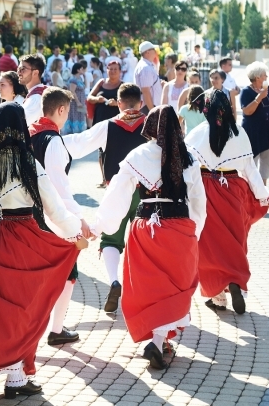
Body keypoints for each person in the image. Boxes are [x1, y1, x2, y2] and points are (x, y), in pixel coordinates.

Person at [0, 103, 85, 404]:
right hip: (24, 234)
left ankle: (4, 376)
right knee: (24, 309)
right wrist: (74, 234)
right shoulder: (29, 161)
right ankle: (4, 377)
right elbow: (53, 206)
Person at [91, 105, 206, 370]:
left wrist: (101, 225)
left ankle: (157, 338)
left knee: (148, 285)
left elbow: (117, 194)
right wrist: (195, 231)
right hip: (178, 228)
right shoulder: (188, 157)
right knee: (175, 286)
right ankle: (158, 339)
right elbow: (198, 202)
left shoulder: (138, 155)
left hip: (145, 228)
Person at [63, 83, 147, 312]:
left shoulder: (108, 126)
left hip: (116, 191)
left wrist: (49, 139)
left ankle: (114, 280)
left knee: (111, 239)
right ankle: (142, 291)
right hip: (146, 193)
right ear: (140, 103)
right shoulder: (152, 125)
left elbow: (79, 144)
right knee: (144, 242)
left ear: (118, 103)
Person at [185, 89, 269, 315]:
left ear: (207, 109)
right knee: (234, 239)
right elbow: (251, 170)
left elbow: (185, 166)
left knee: (207, 245)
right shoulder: (239, 132)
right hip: (233, 190)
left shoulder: (198, 133)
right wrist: (263, 195)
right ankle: (235, 282)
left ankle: (218, 296)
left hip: (204, 192)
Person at [28, 87, 91, 347]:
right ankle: (55, 329)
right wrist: (80, 219)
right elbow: (58, 189)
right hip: (50, 216)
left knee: (35, 274)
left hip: (26, 213)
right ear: (62, 110)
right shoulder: (53, 141)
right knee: (67, 270)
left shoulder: (29, 133)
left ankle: (35, 329)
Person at [240, 62, 269, 182]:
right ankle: (251, 191)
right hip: (252, 133)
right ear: (257, 77)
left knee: (266, 162)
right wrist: (259, 98)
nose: (266, 77)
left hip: (267, 132)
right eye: (264, 75)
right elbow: (247, 111)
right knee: (251, 163)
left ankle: (263, 190)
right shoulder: (246, 92)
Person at [18, 53, 48, 125]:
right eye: (18, 69)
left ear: (35, 73)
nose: (19, 72)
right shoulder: (38, 93)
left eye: (23, 69)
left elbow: (19, 123)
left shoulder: (36, 98)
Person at [134, 41, 162, 113]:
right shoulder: (145, 68)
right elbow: (146, 92)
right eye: (154, 50)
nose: (155, 52)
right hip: (148, 107)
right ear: (148, 52)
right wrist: (153, 111)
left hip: (148, 106)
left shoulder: (146, 66)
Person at [63, 63, 87, 134]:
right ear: (78, 70)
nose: (83, 70)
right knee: (75, 116)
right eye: (82, 69)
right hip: (75, 103)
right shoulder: (73, 79)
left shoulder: (79, 78)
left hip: (81, 101)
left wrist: (85, 77)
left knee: (80, 116)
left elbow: (84, 87)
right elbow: (72, 91)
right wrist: (78, 102)